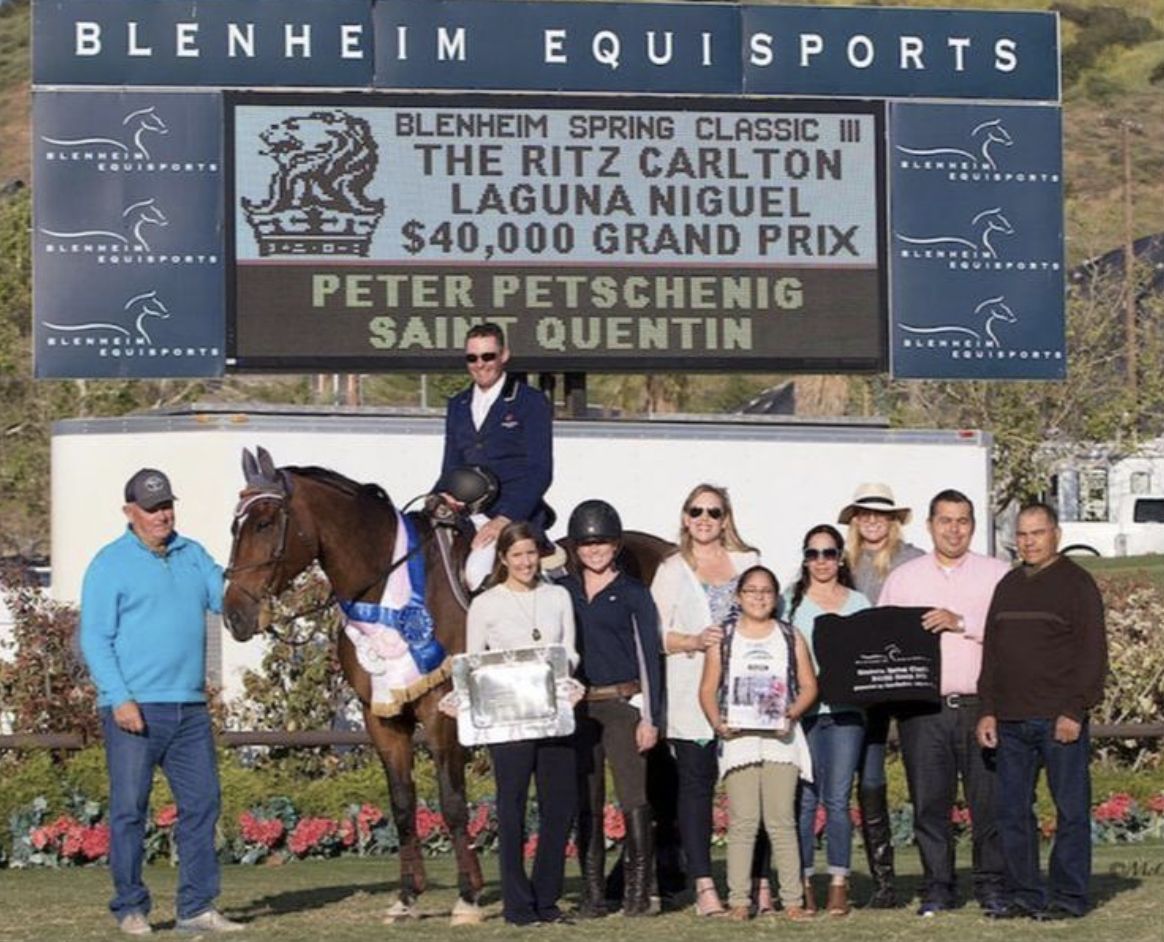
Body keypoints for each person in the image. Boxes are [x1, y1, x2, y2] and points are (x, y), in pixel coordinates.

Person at [79, 469, 242, 935]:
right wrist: (118, 697)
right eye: (152, 508)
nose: (162, 515)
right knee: (130, 808)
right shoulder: (109, 564)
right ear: (130, 512)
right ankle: (130, 907)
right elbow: (95, 638)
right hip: (135, 710)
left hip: (189, 707)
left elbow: (226, 597)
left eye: (167, 505)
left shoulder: (193, 555)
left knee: (202, 804)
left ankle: (197, 907)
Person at [878, 489, 1010, 916]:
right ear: (930, 525)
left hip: (980, 707)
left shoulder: (998, 574)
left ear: (973, 525)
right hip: (923, 710)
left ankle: (991, 886)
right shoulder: (904, 578)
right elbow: (883, 643)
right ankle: (938, 887)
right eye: (945, 520)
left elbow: (1013, 637)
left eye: (963, 520)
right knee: (930, 804)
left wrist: (961, 622)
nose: (954, 529)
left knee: (987, 804)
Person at [976, 503, 1108, 921]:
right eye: (1022, 534)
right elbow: (993, 655)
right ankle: (1022, 894)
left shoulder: (1077, 584)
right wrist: (988, 710)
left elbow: (1092, 654)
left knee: (1069, 812)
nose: (1029, 541)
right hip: (1010, 721)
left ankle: (1068, 896)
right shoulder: (1008, 584)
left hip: (1058, 720)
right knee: (1012, 813)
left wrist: (1075, 710)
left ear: (1056, 534)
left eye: (1038, 532)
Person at [461, 522, 581, 925]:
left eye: (531, 553)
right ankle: (517, 904)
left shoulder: (558, 595)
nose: (526, 562)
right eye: (517, 555)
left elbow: (570, 652)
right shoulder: (486, 604)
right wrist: (459, 699)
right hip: (507, 720)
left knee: (560, 805)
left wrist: (570, 680)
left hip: (552, 714)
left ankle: (546, 899)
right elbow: (474, 661)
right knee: (511, 807)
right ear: (503, 560)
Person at [650, 483, 759, 916]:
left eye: (713, 512)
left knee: (750, 787)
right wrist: (693, 639)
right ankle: (703, 885)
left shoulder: (750, 562)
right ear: (684, 516)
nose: (704, 519)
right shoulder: (672, 569)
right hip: (692, 695)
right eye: (696, 511)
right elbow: (654, 633)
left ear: (726, 517)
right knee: (696, 790)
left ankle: (754, 882)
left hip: (748, 693)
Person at [561, 500, 663, 918]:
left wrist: (651, 717)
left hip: (622, 703)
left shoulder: (634, 593)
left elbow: (650, 659)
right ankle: (593, 894)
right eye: (585, 543)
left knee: (632, 798)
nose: (594, 550)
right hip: (581, 707)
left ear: (616, 545)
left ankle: (638, 892)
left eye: (601, 542)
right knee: (587, 800)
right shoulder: (563, 591)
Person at [698, 566, 817, 922]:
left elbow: (809, 685)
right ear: (738, 596)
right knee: (743, 821)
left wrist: (791, 715)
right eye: (751, 591)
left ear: (775, 596)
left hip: (782, 740)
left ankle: (793, 900)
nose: (759, 597)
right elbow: (707, 689)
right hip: (740, 741)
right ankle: (738, 900)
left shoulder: (789, 635)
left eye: (766, 591)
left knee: (781, 820)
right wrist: (718, 724)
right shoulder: (726, 638)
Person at [838, 483, 925, 908]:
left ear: (893, 520)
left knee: (925, 777)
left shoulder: (914, 562)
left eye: (880, 515)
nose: (872, 521)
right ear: (855, 520)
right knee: (868, 779)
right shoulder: (841, 563)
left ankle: (934, 875)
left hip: (907, 681)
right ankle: (884, 882)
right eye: (864, 514)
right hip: (863, 687)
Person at [783, 525, 870, 917]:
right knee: (804, 801)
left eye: (829, 553)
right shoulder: (790, 603)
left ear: (840, 558)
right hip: (805, 713)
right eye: (814, 553)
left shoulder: (859, 603)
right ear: (805, 558)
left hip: (847, 712)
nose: (822, 561)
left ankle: (838, 881)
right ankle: (802, 881)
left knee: (837, 799)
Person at [437, 322, 553, 590]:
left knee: (477, 571)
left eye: (488, 356)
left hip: (512, 516)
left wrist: (502, 521)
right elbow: (451, 466)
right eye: (472, 358)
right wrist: (439, 497)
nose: (480, 364)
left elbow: (540, 471)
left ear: (504, 355)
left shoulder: (529, 401)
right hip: (466, 514)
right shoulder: (458, 404)